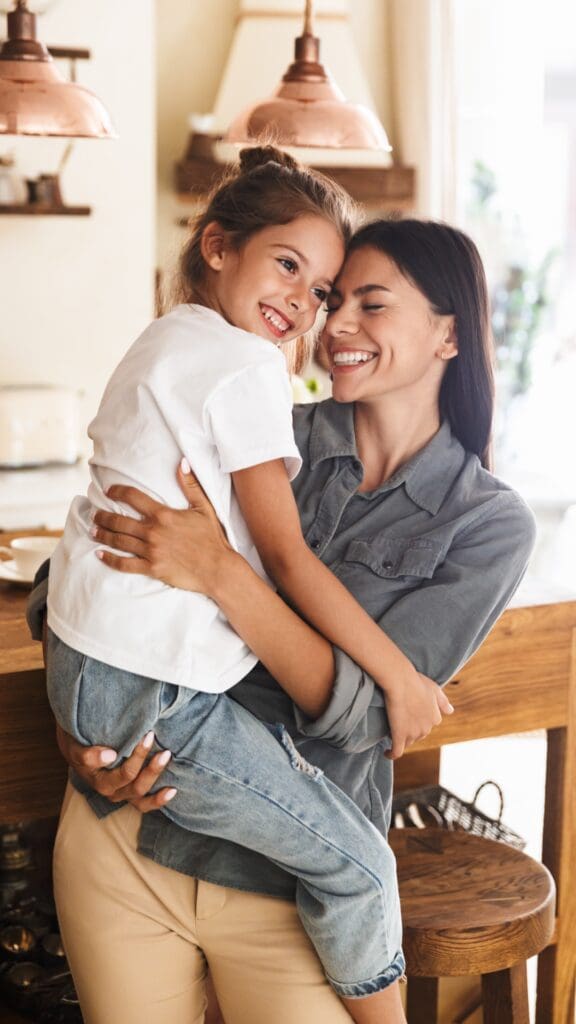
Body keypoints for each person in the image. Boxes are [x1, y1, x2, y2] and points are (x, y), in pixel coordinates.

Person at [29, 217, 536, 1024]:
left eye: (371, 304)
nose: (333, 324)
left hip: (285, 886)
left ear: (449, 334)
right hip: (125, 836)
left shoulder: (486, 523)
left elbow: (365, 719)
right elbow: (81, 569)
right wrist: (84, 738)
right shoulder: (256, 425)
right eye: (334, 300)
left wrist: (222, 573)